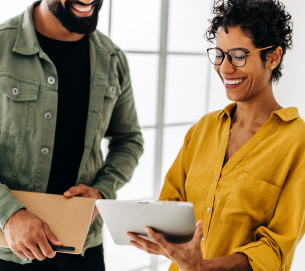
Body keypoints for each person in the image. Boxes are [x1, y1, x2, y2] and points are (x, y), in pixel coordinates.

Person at [127, 0, 305, 270]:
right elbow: (172, 201)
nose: (224, 68)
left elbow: (276, 248)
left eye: (238, 56)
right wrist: (160, 235)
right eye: (219, 55)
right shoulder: (203, 128)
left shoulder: (297, 142)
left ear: (273, 57)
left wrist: (204, 267)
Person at [0, 0, 143, 270]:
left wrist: (102, 190)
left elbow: (129, 140)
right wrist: (8, 213)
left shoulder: (112, 58)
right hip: (7, 252)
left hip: (84, 251)